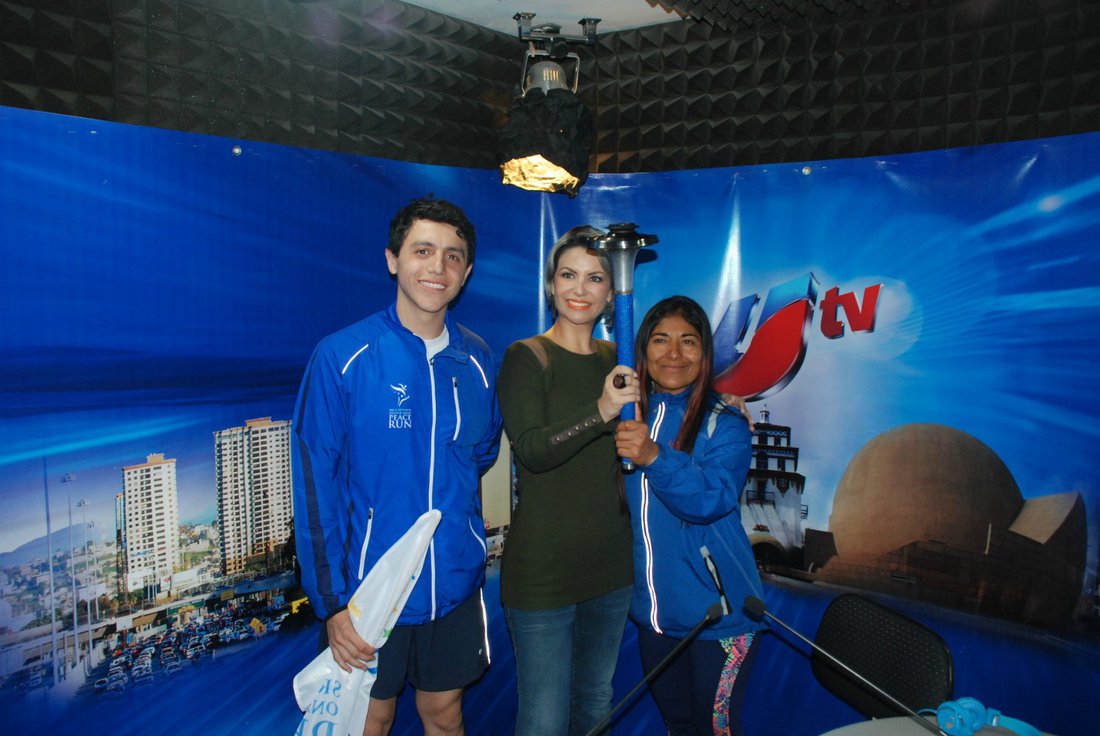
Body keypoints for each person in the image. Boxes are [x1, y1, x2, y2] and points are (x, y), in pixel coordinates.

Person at [292, 196, 503, 736]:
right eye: (423, 250)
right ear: (393, 259)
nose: (438, 267)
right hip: (369, 592)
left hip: (454, 585)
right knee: (370, 720)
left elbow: (480, 454)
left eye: (453, 256)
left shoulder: (478, 359)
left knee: (445, 716)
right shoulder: (343, 356)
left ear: (467, 272)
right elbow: (315, 486)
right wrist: (332, 604)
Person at [495, 226, 641, 736]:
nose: (580, 289)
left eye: (595, 278)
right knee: (544, 719)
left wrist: (724, 403)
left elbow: (671, 400)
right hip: (543, 572)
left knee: (594, 704)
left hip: (611, 566)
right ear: (551, 285)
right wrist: (601, 409)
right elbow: (532, 452)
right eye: (568, 275)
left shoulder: (619, 359)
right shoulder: (527, 356)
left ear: (611, 292)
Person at [615, 295, 766, 736]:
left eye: (688, 341)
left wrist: (653, 456)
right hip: (655, 620)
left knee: (716, 730)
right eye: (660, 340)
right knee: (678, 725)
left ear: (705, 353)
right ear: (643, 350)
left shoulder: (726, 423)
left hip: (720, 620)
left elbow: (709, 500)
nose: (674, 353)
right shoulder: (625, 416)